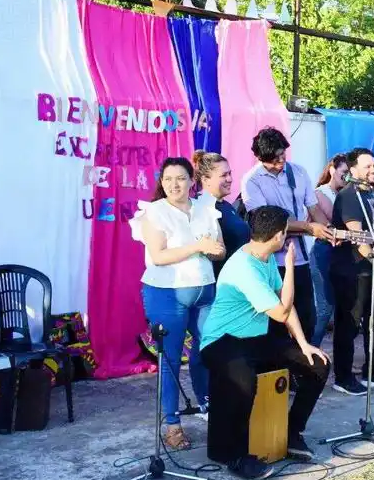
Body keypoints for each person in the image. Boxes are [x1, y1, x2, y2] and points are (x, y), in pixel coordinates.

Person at [200, 206, 330, 480]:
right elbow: (283, 309)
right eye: (285, 233)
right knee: (244, 381)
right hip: (222, 341)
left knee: (316, 364)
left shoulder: (265, 255)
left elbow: (283, 303)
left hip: (256, 337)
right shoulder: (245, 267)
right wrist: (292, 266)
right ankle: (237, 456)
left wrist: (304, 343)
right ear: (278, 236)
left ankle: (291, 432)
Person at [129, 157, 225, 450]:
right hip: (167, 294)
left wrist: (213, 250)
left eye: (181, 178)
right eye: (168, 178)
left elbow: (220, 250)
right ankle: (172, 425)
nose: (174, 184)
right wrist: (198, 246)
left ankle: (211, 407)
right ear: (161, 182)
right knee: (169, 360)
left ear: (191, 181)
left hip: (204, 292)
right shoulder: (153, 212)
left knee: (209, 350)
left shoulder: (206, 210)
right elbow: (158, 256)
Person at [240, 127, 333, 343]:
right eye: (275, 158)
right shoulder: (251, 181)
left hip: (300, 259)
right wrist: (309, 228)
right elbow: (267, 224)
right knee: (276, 325)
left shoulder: (298, 172)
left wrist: (327, 230)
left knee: (307, 318)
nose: (281, 161)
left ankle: (301, 370)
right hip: (272, 262)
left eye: (283, 154)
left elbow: (313, 208)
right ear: (261, 158)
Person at [330, 147, 374, 395]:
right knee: (349, 325)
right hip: (354, 270)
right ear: (353, 170)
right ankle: (343, 376)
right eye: (369, 166)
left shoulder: (368, 193)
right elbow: (360, 239)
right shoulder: (350, 195)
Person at [311, 154, 348, 347]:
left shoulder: (346, 193)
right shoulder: (319, 193)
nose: (347, 177)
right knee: (325, 307)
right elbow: (333, 224)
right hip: (324, 253)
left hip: (342, 254)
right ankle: (310, 351)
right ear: (333, 170)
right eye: (344, 172)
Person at [193, 150, 250, 278]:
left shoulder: (227, 206)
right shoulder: (200, 206)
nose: (230, 179)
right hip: (219, 283)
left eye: (230, 173)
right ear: (205, 179)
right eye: (224, 175)